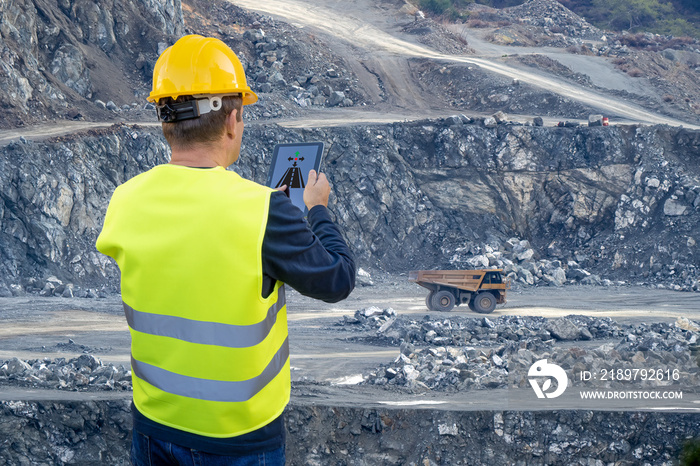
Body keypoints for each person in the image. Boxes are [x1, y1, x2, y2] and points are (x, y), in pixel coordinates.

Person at [96, 34, 355, 465]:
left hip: (154, 427)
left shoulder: (125, 199)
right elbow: (337, 279)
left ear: (166, 122)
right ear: (233, 121)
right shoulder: (266, 211)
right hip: (240, 440)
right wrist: (316, 211)